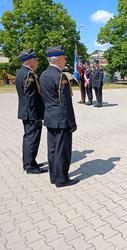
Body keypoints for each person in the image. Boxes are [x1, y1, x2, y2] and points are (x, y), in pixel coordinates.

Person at [40, 45, 79, 188]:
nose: (65, 61)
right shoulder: (60, 76)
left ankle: (53, 176)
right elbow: (66, 103)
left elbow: (43, 98)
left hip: (50, 117)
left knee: (52, 149)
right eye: (63, 58)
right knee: (62, 150)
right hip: (62, 119)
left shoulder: (43, 74)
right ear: (59, 59)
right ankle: (62, 179)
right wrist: (72, 122)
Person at [15, 49, 47, 174]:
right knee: (32, 139)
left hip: (26, 112)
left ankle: (29, 162)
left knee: (28, 138)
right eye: (35, 60)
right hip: (31, 113)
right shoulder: (29, 74)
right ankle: (30, 166)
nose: (36, 62)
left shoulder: (21, 72)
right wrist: (36, 115)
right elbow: (31, 97)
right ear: (29, 61)